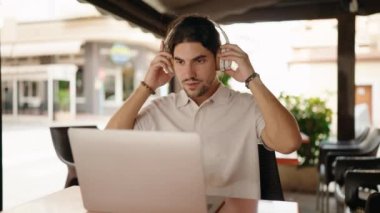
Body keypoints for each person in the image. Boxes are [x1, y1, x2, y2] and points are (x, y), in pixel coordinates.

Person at [106, 15, 302, 211]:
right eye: (180, 62)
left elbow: (288, 143)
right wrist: (147, 85)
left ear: (219, 60)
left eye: (199, 60)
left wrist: (251, 79)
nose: (189, 73)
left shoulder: (248, 107)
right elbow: (110, 144)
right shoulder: (160, 109)